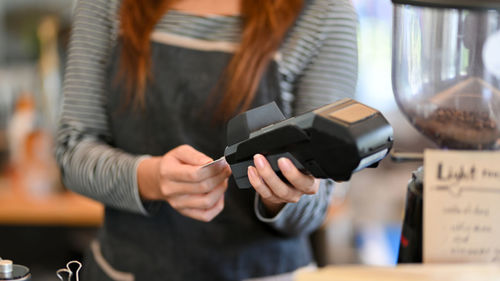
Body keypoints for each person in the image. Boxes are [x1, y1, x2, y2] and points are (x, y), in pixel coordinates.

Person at [55, 0, 358, 280]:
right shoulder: (106, 5)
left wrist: (279, 196)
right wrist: (151, 178)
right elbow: (73, 151)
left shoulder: (324, 12)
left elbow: (318, 203)